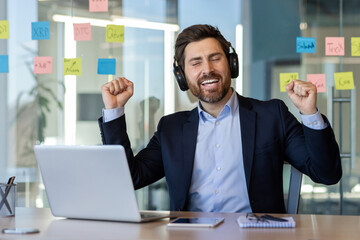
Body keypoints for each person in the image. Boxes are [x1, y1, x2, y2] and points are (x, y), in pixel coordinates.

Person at [98, 24, 342, 213]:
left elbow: (327, 174)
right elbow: (128, 178)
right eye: (196, 63)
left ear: (231, 64)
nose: (207, 69)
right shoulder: (170, 128)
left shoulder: (271, 116)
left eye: (215, 58)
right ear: (182, 76)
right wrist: (114, 111)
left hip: (258, 235)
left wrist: (310, 113)